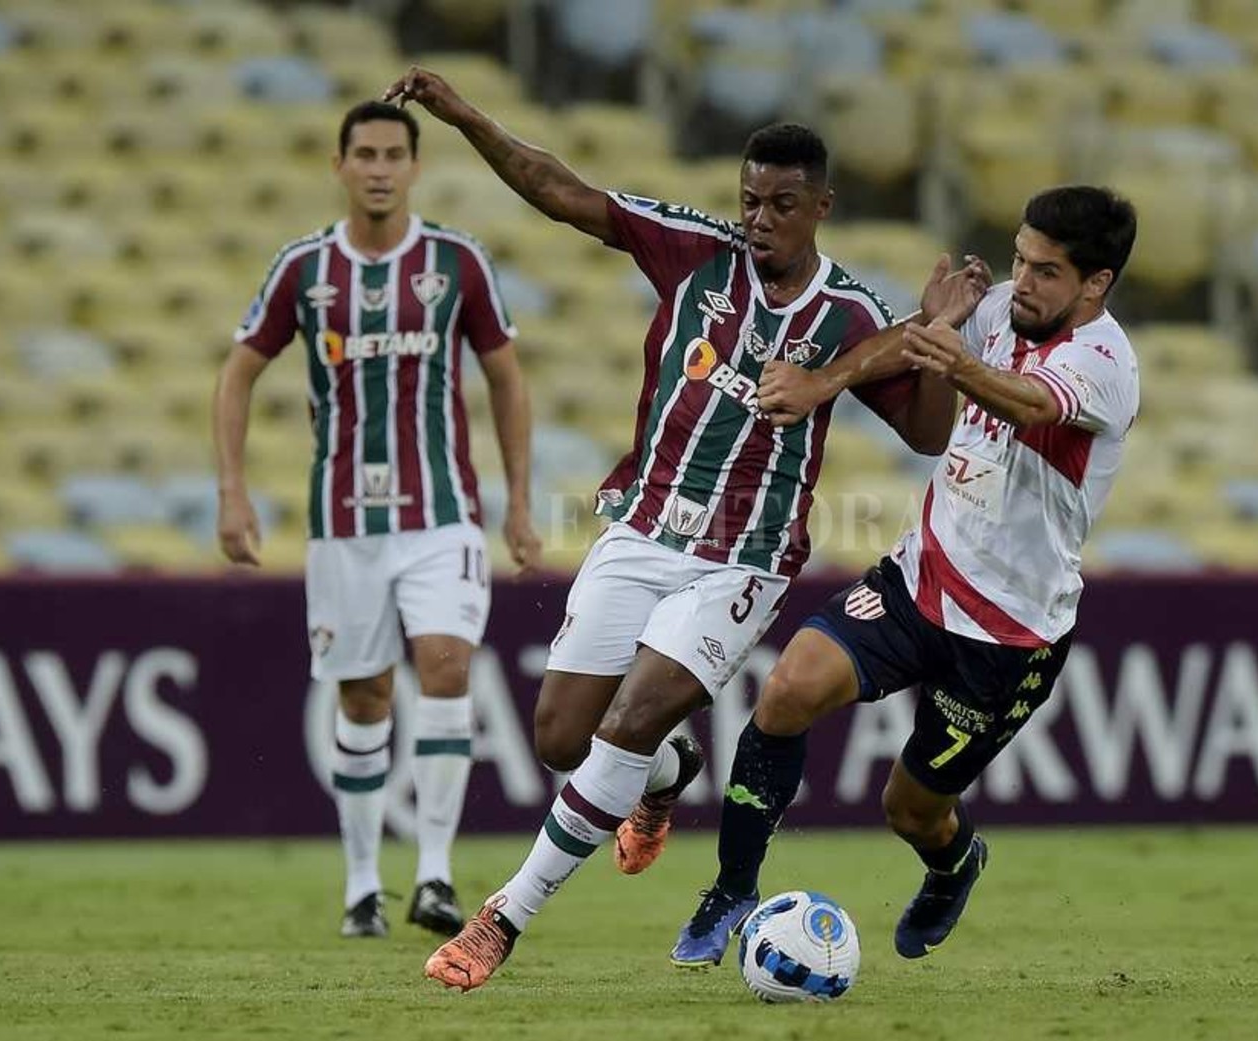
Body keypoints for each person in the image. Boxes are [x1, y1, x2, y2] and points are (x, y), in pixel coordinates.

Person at [381, 65, 989, 992]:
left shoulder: (850, 318)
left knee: (630, 715)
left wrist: (941, 343)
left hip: (743, 560)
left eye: (782, 204)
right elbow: (558, 191)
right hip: (640, 530)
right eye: (749, 200)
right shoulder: (690, 252)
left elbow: (929, 432)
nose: (759, 218)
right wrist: (463, 113)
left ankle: (503, 916)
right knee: (560, 737)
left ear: (819, 206)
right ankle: (666, 778)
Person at [668, 185, 1139, 966]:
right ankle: (731, 889)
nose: (1019, 282)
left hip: (1008, 633)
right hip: (916, 580)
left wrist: (954, 357)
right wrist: (895, 348)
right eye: (1018, 259)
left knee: (911, 808)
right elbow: (911, 345)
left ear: (1095, 284)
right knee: (786, 690)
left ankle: (954, 863)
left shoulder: (1105, 363)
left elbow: (1029, 404)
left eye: (1045, 271)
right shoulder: (997, 313)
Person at [213, 100, 542, 940]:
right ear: (340, 165)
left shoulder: (455, 262)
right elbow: (238, 372)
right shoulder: (304, 269)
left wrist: (520, 502)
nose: (379, 167)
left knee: (443, 664)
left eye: (394, 153)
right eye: (364, 153)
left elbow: (506, 378)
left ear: (414, 166)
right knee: (363, 697)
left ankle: (433, 873)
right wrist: (232, 491)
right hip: (343, 523)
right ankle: (362, 880)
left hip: (443, 515)